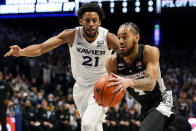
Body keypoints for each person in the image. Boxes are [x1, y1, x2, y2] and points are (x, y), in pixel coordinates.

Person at [4, 3, 119, 131]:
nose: (91, 23)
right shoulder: (71, 35)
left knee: (87, 125)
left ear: (99, 22)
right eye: (87, 20)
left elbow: (129, 56)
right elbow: (42, 48)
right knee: (95, 127)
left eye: (94, 20)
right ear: (81, 21)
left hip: (101, 86)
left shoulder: (109, 38)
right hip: (80, 87)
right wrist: (21, 52)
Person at [105, 22, 177, 131]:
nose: (120, 41)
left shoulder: (149, 52)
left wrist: (128, 82)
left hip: (163, 100)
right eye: (118, 37)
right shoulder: (112, 62)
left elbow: (150, 84)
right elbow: (112, 91)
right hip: (146, 108)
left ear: (136, 37)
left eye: (125, 37)